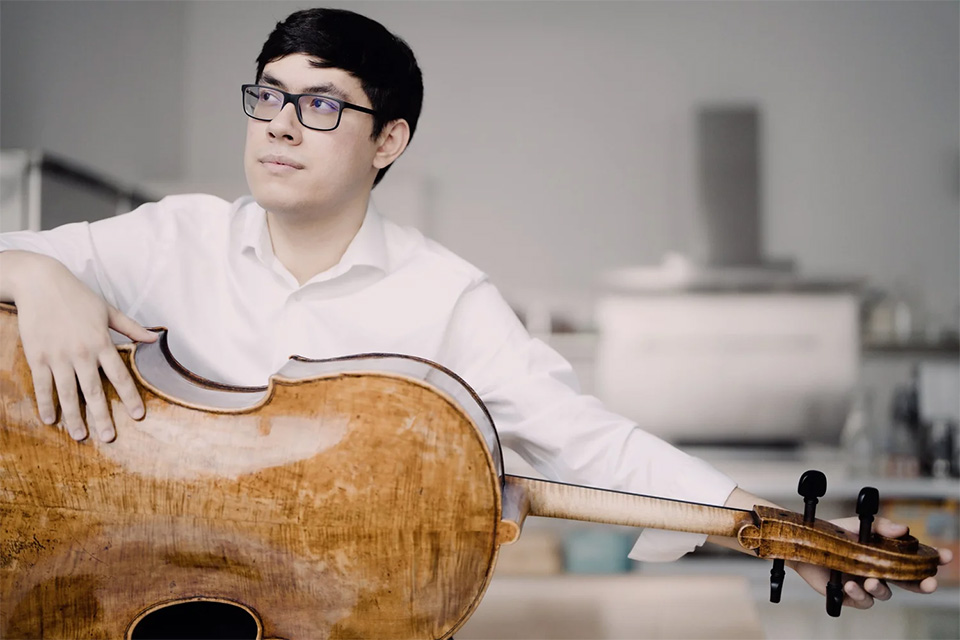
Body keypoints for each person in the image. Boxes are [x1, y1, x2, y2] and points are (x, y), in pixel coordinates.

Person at [0, 6, 950, 618]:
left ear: (389, 140)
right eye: (268, 97)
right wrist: (37, 275)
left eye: (322, 106)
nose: (280, 124)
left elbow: (589, 444)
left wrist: (773, 526)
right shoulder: (172, 237)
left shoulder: (445, 297)